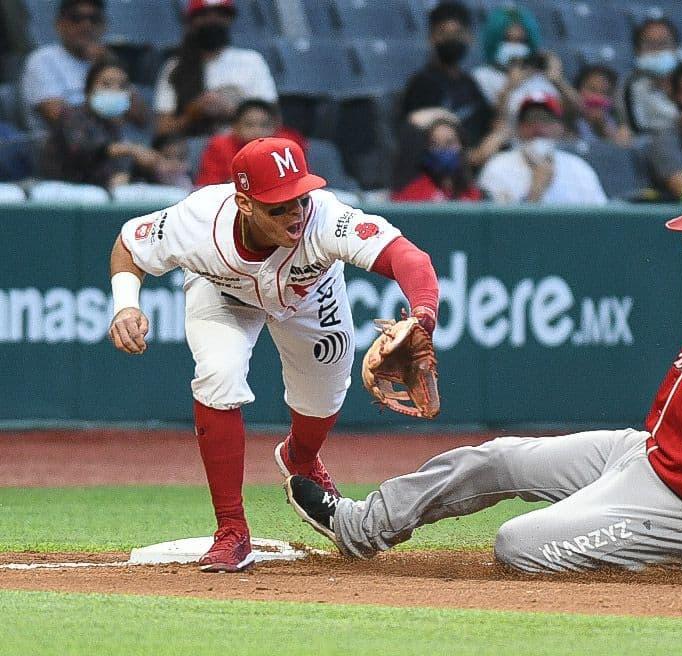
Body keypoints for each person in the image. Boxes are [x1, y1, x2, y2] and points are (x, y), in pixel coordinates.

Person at [287, 174, 682, 591]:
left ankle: (652, 551)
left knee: (517, 545)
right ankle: (361, 526)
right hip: (650, 455)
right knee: (496, 459)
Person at [107, 137, 439, 572]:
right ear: (244, 203)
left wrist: (422, 317)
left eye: (299, 199)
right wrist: (126, 303)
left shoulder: (326, 218)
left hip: (310, 296)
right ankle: (231, 530)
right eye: (278, 206)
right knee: (218, 375)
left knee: (324, 397)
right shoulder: (198, 220)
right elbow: (130, 246)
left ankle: (299, 457)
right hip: (223, 295)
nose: (295, 214)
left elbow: (408, 258)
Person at [42, 60, 181, 190]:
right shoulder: (71, 116)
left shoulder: (115, 127)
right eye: (106, 84)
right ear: (88, 90)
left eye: (122, 86)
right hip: (62, 193)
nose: (115, 90)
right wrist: (132, 150)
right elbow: (84, 149)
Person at [153, 0, 278, 138]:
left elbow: (274, 120)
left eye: (220, 15)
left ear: (229, 19)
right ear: (192, 21)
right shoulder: (175, 67)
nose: (212, 20)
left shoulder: (251, 60)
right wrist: (193, 113)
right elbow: (162, 130)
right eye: (204, 15)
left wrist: (229, 110)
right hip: (194, 150)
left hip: (243, 146)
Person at [19, 0, 147, 132]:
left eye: (94, 19)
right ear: (59, 24)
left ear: (104, 26)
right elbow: (61, 119)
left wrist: (108, 63)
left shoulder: (106, 60)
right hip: (67, 149)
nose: (86, 26)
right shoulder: (42, 60)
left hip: (119, 146)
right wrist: (114, 105)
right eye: (76, 18)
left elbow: (140, 118)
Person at [477, 93, 606, 205]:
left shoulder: (579, 168)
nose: (538, 127)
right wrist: (534, 193)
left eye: (546, 119)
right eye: (530, 120)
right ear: (519, 128)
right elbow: (493, 228)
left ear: (560, 127)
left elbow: (601, 221)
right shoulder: (497, 166)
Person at [399, 2, 492, 152]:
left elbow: (488, 124)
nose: (451, 39)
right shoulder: (421, 85)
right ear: (431, 38)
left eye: (457, 33)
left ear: (469, 37)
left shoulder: (470, 83)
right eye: (443, 33)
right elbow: (421, 144)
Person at [471, 6, 574, 125]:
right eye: (507, 40)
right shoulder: (482, 75)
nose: (515, 46)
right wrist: (510, 86)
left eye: (521, 41)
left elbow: (573, 115)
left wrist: (558, 79)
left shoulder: (541, 76)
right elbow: (491, 120)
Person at [194, 99, 306, 186]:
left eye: (264, 125)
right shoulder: (219, 146)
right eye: (249, 125)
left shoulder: (286, 145)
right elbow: (207, 187)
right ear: (235, 127)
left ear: (275, 127)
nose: (257, 131)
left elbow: (302, 181)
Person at [618, 17, 682, 135]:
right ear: (637, 51)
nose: (657, 50)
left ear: (675, 48)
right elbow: (637, 128)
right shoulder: (632, 86)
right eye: (650, 44)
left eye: (664, 43)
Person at [391, 117, 482, 202]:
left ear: (462, 147)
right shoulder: (412, 194)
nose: (443, 150)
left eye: (449, 143)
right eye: (435, 144)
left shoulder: (475, 195)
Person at [571, 65, 631, 146]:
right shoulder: (569, 119)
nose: (597, 98)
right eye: (592, 89)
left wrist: (605, 129)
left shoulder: (616, 124)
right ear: (578, 90)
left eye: (605, 92)